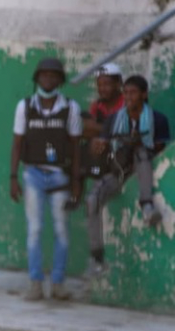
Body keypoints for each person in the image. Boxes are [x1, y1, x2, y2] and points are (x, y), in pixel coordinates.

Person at [9, 58, 82, 301]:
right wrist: (13, 177)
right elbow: (17, 143)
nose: (48, 79)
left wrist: (76, 181)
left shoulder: (70, 108)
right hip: (33, 174)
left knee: (62, 230)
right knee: (35, 229)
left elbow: (75, 147)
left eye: (53, 75)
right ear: (37, 78)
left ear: (60, 80)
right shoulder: (26, 106)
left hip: (60, 174)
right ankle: (36, 283)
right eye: (44, 75)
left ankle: (58, 283)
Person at [86, 75, 171, 274]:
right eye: (126, 93)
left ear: (144, 94)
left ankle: (147, 206)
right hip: (119, 172)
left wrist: (137, 143)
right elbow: (101, 146)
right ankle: (97, 257)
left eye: (133, 92)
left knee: (142, 154)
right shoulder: (115, 119)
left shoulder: (157, 119)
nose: (129, 97)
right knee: (92, 201)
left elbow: (159, 148)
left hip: (142, 172)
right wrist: (99, 145)